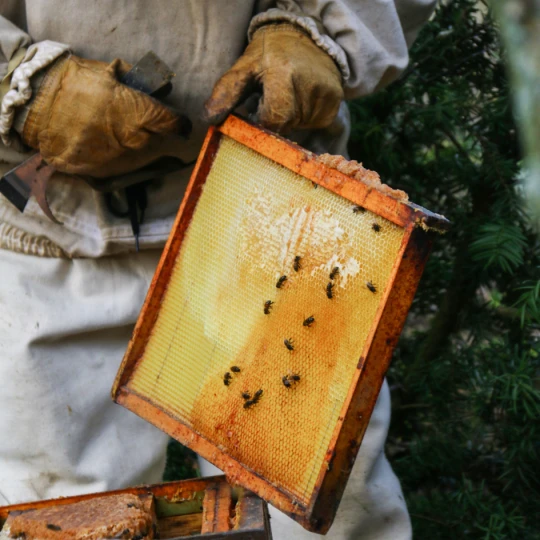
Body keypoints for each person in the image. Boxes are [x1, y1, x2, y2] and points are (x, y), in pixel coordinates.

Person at [0, 1, 436, 538]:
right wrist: (19, 85)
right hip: (50, 235)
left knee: (327, 517)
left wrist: (310, 31)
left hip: (278, 218)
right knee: (65, 511)